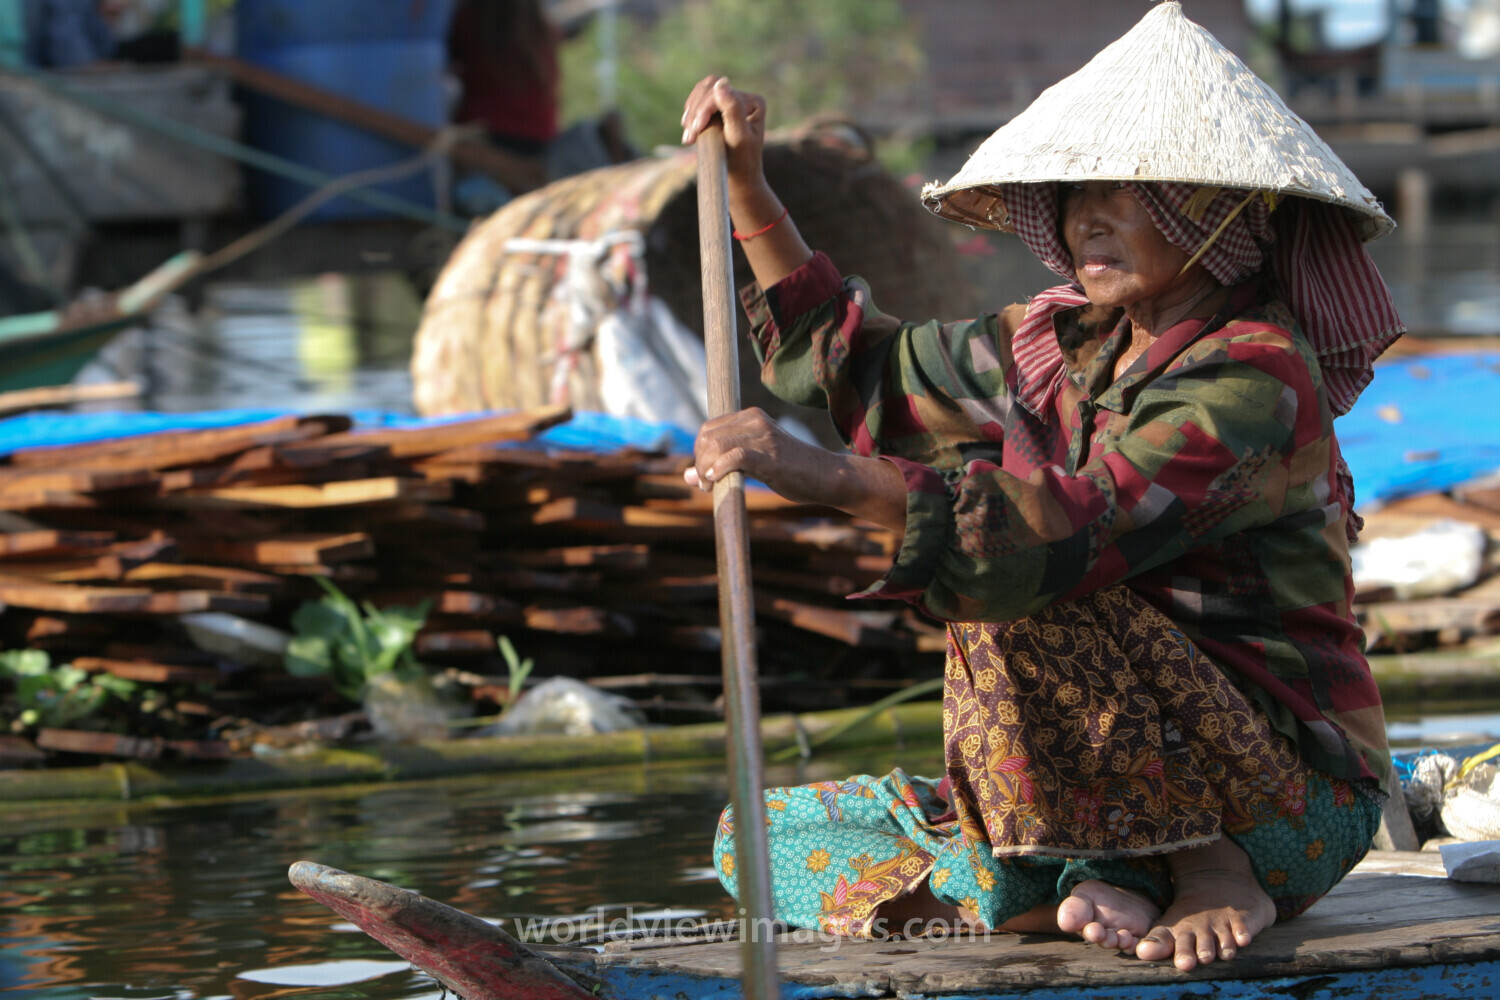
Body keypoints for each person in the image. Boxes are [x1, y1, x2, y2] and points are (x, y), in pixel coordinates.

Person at [679, 1, 1404, 973]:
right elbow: (867, 369)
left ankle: (1207, 866)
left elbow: (1070, 525)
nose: (1086, 216)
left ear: (1223, 214)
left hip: (1283, 796)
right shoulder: (1055, 342)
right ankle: (1083, 883)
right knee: (753, 837)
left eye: (1126, 191)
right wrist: (746, 187)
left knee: (1018, 565)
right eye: (1073, 194)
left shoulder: (1255, 372)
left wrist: (819, 475)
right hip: (1097, 795)